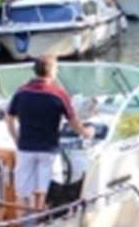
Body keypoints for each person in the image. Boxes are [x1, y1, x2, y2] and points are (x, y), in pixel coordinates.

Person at [6, 55, 92, 210]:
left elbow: (9, 118)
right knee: (43, 189)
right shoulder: (58, 94)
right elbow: (74, 124)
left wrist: (16, 139)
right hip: (48, 149)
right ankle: (40, 220)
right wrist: (87, 132)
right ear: (52, 72)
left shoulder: (21, 92)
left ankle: (23, 222)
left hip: (25, 147)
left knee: (23, 191)